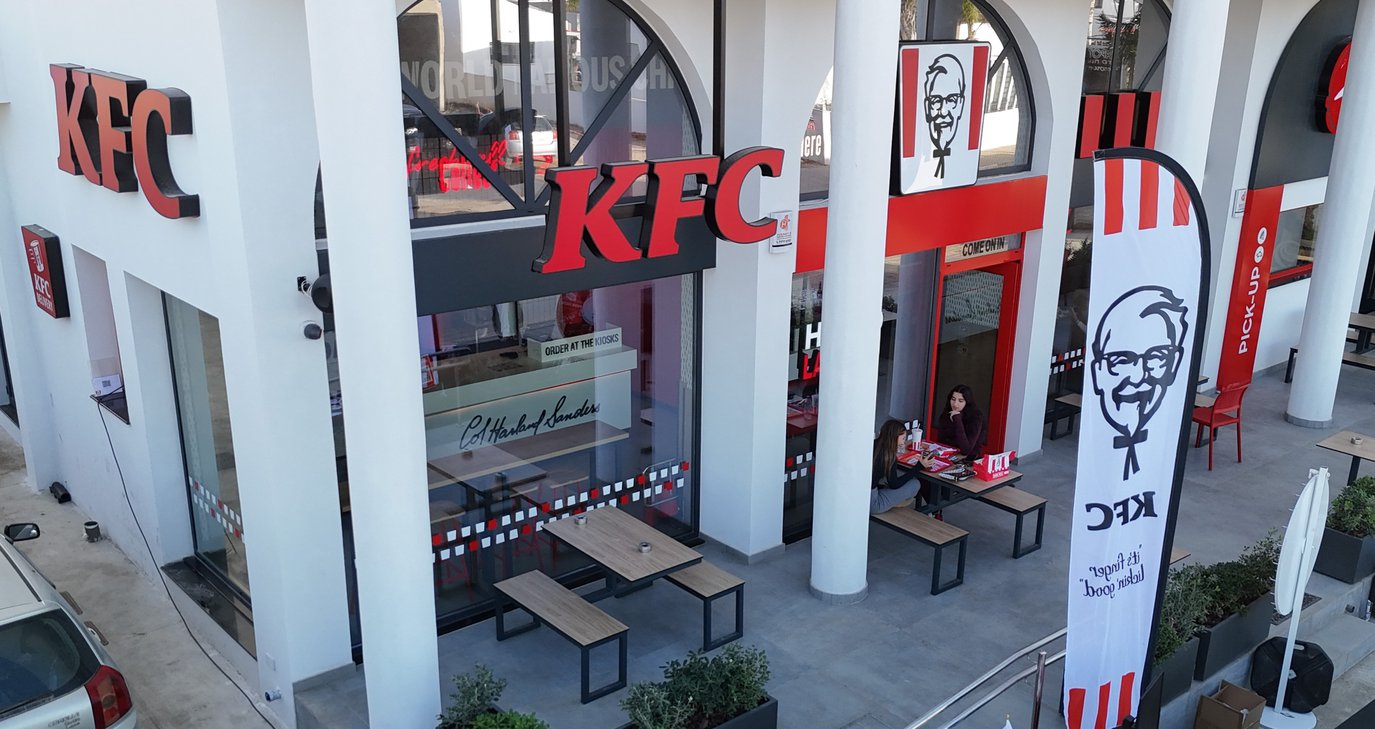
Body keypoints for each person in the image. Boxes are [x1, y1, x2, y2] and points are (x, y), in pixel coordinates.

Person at [871, 419, 935, 514]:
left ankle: (892, 501)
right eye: (903, 438)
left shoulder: (873, 444)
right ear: (895, 437)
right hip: (873, 504)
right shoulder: (888, 456)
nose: (903, 443)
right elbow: (894, 484)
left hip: (857, 493)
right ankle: (894, 503)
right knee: (915, 484)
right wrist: (918, 467)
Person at [937, 385, 987, 459]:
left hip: (969, 459)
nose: (955, 404)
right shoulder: (947, 413)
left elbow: (966, 450)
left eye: (960, 401)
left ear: (967, 402)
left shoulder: (975, 417)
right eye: (953, 399)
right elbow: (941, 441)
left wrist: (957, 420)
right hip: (948, 456)